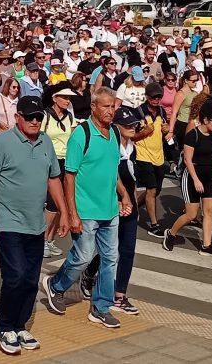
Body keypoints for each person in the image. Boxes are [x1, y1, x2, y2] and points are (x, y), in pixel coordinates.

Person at [0, 95, 70, 355]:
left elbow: (54, 179)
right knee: (15, 276)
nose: (34, 121)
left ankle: (19, 326)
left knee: (31, 279)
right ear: (17, 117)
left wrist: (64, 212)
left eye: (38, 117)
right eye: (29, 116)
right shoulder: (2, 143)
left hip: (35, 224)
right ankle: (4, 325)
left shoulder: (45, 142)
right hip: (8, 222)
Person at [43, 87, 133, 329]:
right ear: (93, 107)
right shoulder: (81, 135)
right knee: (83, 256)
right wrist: (71, 213)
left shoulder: (115, 132)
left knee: (110, 259)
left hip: (109, 210)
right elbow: (69, 177)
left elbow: (112, 169)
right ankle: (56, 285)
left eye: (113, 106)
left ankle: (101, 308)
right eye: (106, 106)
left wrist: (124, 195)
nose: (111, 111)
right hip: (85, 210)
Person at [163, 98, 212, 257]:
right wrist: (196, 180)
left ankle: (206, 245)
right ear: (206, 119)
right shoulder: (193, 135)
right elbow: (187, 160)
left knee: (209, 211)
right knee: (191, 215)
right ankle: (171, 233)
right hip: (192, 175)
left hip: (208, 175)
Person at [40, 83, 78, 258]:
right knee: (52, 202)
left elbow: (73, 138)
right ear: (55, 98)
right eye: (64, 97)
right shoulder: (45, 116)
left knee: (60, 202)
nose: (67, 100)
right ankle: (43, 240)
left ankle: (50, 239)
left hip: (65, 161)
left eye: (69, 98)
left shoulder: (69, 117)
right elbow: (39, 138)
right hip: (49, 161)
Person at [134, 82, 170, 238]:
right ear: (147, 97)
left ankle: (133, 206)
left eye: (159, 97)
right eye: (154, 97)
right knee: (152, 190)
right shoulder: (138, 112)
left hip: (159, 157)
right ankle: (154, 225)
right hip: (143, 156)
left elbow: (164, 130)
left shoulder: (162, 111)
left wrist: (166, 130)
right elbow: (131, 136)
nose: (156, 100)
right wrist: (144, 133)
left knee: (156, 190)